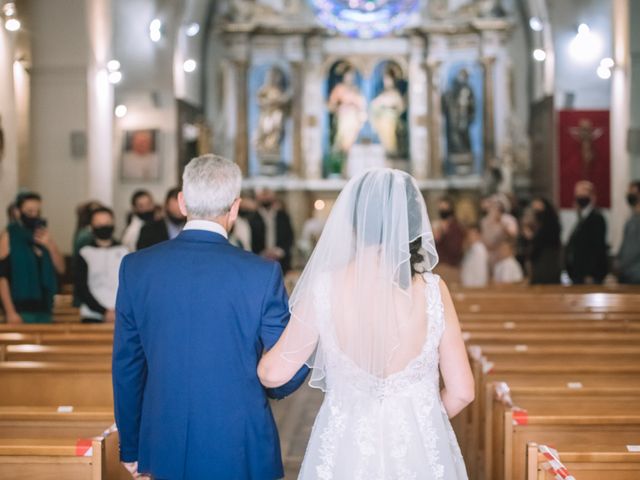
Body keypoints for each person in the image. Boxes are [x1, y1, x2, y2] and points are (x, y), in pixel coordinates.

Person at [257, 168, 473, 479]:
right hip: (419, 452)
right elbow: (463, 391)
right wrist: (420, 421)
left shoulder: (325, 287)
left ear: (353, 221)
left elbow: (274, 374)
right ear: (413, 222)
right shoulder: (433, 291)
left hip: (345, 449)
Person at [112, 155, 309, 480]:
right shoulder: (261, 273)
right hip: (240, 444)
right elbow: (284, 374)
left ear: (181, 202)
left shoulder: (136, 268)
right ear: (235, 207)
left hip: (163, 442)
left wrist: (131, 447)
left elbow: (127, 367)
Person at [0, 192, 65, 323]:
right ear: (18, 212)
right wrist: (10, 312)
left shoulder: (43, 235)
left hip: (44, 308)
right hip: (19, 308)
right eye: (29, 211)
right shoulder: (9, 236)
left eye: (37, 211)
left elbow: (61, 268)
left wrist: (50, 245)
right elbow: (2, 277)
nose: (34, 215)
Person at [74, 207, 128, 323]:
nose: (103, 227)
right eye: (99, 224)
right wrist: (103, 311)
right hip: (92, 314)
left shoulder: (125, 251)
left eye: (107, 223)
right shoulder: (85, 252)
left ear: (113, 224)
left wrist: (118, 310)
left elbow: (130, 285)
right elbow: (81, 287)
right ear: (92, 226)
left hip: (122, 314)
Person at [565, 180, 608, 284]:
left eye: (583, 194)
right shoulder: (581, 218)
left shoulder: (596, 217)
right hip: (577, 274)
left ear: (592, 196)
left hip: (589, 276)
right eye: (577, 195)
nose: (579, 197)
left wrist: (591, 273)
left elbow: (597, 247)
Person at [250, 189, 294, 273]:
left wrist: (279, 251)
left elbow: (290, 237)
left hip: (281, 262)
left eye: (268, 194)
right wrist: (262, 253)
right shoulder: (252, 218)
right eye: (263, 194)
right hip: (258, 261)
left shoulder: (283, 216)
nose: (266, 197)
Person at [481, 193, 518, 267]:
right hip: (488, 255)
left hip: (504, 256)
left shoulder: (509, 219)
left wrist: (501, 224)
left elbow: (513, 236)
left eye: (496, 206)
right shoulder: (484, 221)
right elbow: (483, 237)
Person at [434, 196, 466, 283]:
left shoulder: (456, 227)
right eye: (440, 208)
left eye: (445, 209)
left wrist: (445, 232)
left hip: (450, 269)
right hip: (438, 267)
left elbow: (455, 250)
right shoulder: (438, 226)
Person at [616, 180, 640, 284]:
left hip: (635, 274)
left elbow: (633, 249)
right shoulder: (631, 218)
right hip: (628, 273)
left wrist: (620, 265)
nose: (629, 195)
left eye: (632, 193)